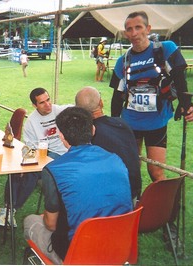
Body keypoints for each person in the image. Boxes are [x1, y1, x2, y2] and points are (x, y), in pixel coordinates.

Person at [24, 106, 133, 263]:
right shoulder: (116, 159)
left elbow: (51, 224)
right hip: (119, 247)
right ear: (93, 129)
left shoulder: (54, 169)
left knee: (30, 221)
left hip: (78, 254)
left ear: (61, 136)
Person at [110, 10, 193, 183]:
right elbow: (117, 96)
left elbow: (180, 78)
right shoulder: (122, 61)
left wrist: (187, 104)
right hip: (130, 123)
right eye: (129, 29)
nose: (134, 33)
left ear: (148, 29)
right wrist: (114, 123)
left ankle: (164, 207)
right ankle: (135, 203)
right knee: (131, 169)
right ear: (126, 33)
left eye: (138, 27)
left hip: (157, 122)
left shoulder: (166, 49)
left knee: (156, 171)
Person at [0, 88, 72, 227]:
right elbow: (30, 146)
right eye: (42, 102)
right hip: (42, 154)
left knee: (32, 172)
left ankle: (11, 211)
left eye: (48, 99)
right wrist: (24, 161)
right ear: (35, 105)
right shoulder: (31, 122)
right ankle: (8, 208)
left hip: (61, 155)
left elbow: (80, 106)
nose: (48, 104)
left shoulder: (59, 110)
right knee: (16, 169)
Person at [75, 86, 142, 201]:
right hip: (133, 190)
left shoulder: (87, 135)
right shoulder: (122, 124)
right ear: (101, 103)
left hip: (110, 197)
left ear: (78, 110)